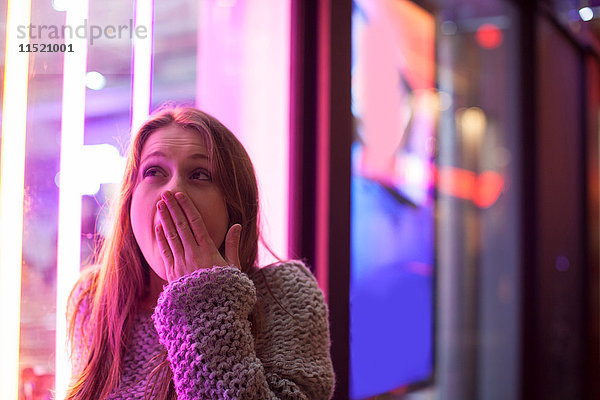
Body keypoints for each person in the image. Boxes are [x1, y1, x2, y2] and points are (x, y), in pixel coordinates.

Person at [65, 107, 335, 399]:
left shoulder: (284, 294)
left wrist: (206, 301)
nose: (173, 190)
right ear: (129, 201)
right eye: (154, 171)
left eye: (199, 174)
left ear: (235, 205)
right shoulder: (94, 299)